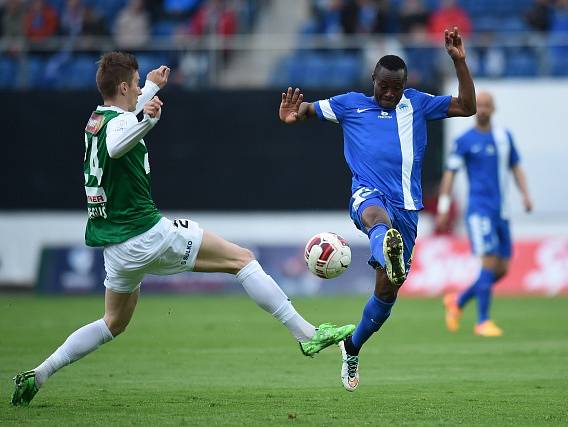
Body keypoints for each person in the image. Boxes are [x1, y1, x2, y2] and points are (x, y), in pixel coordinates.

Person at [11, 51, 355, 407]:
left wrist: (150, 88)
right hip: (146, 234)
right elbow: (118, 142)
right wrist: (148, 121)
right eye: (136, 81)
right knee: (242, 259)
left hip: (115, 246)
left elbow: (121, 118)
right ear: (125, 85)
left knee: (113, 322)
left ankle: (39, 374)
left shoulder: (96, 119)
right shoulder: (121, 126)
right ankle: (307, 334)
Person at [278, 27, 476, 392]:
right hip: (367, 196)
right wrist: (296, 114)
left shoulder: (416, 103)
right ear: (373, 79)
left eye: (395, 88)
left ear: (404, 85)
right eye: (383, 86)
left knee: (386, 295)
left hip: (408, 209)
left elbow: (467, 107)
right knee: (376, 216)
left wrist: (459, 61)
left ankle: (351, 348)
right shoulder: (349, 104)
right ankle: (386, 248)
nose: (388, 93)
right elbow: (309, 109)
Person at [437, 91, 533, 337]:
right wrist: (444, 207)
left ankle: (457, 301)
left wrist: (525, 195)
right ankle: (483, 321)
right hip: (479, 211)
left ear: (494, 109)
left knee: (501, 269)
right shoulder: (464, 140)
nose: (482, 109)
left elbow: (516, 167)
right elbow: (450, 173)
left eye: (487, 105)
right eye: (478, 105)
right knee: (488, 261)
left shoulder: (504, 137)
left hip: (502, 211)